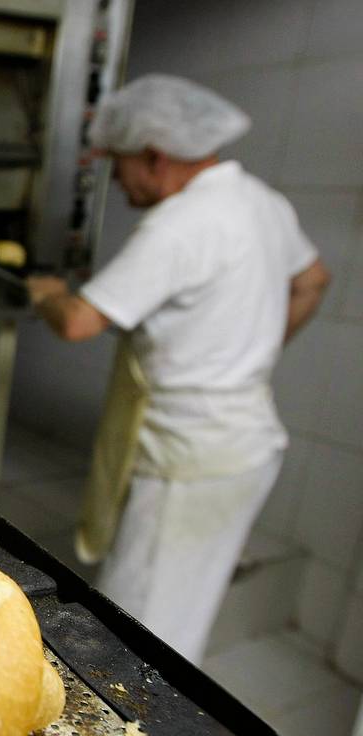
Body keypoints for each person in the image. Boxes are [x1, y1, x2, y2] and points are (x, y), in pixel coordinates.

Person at [26, 74, 331, 663]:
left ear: (155, 156)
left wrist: (46, 292)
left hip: (188, 461)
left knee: (139, 632)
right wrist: (249, 354)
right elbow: (314, 281)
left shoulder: (181, 223)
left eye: (119, 165)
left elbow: (79, 322)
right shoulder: (261, 201)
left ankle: (137, 717)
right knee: (185, 605)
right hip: (246, 444)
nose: (118, 181)